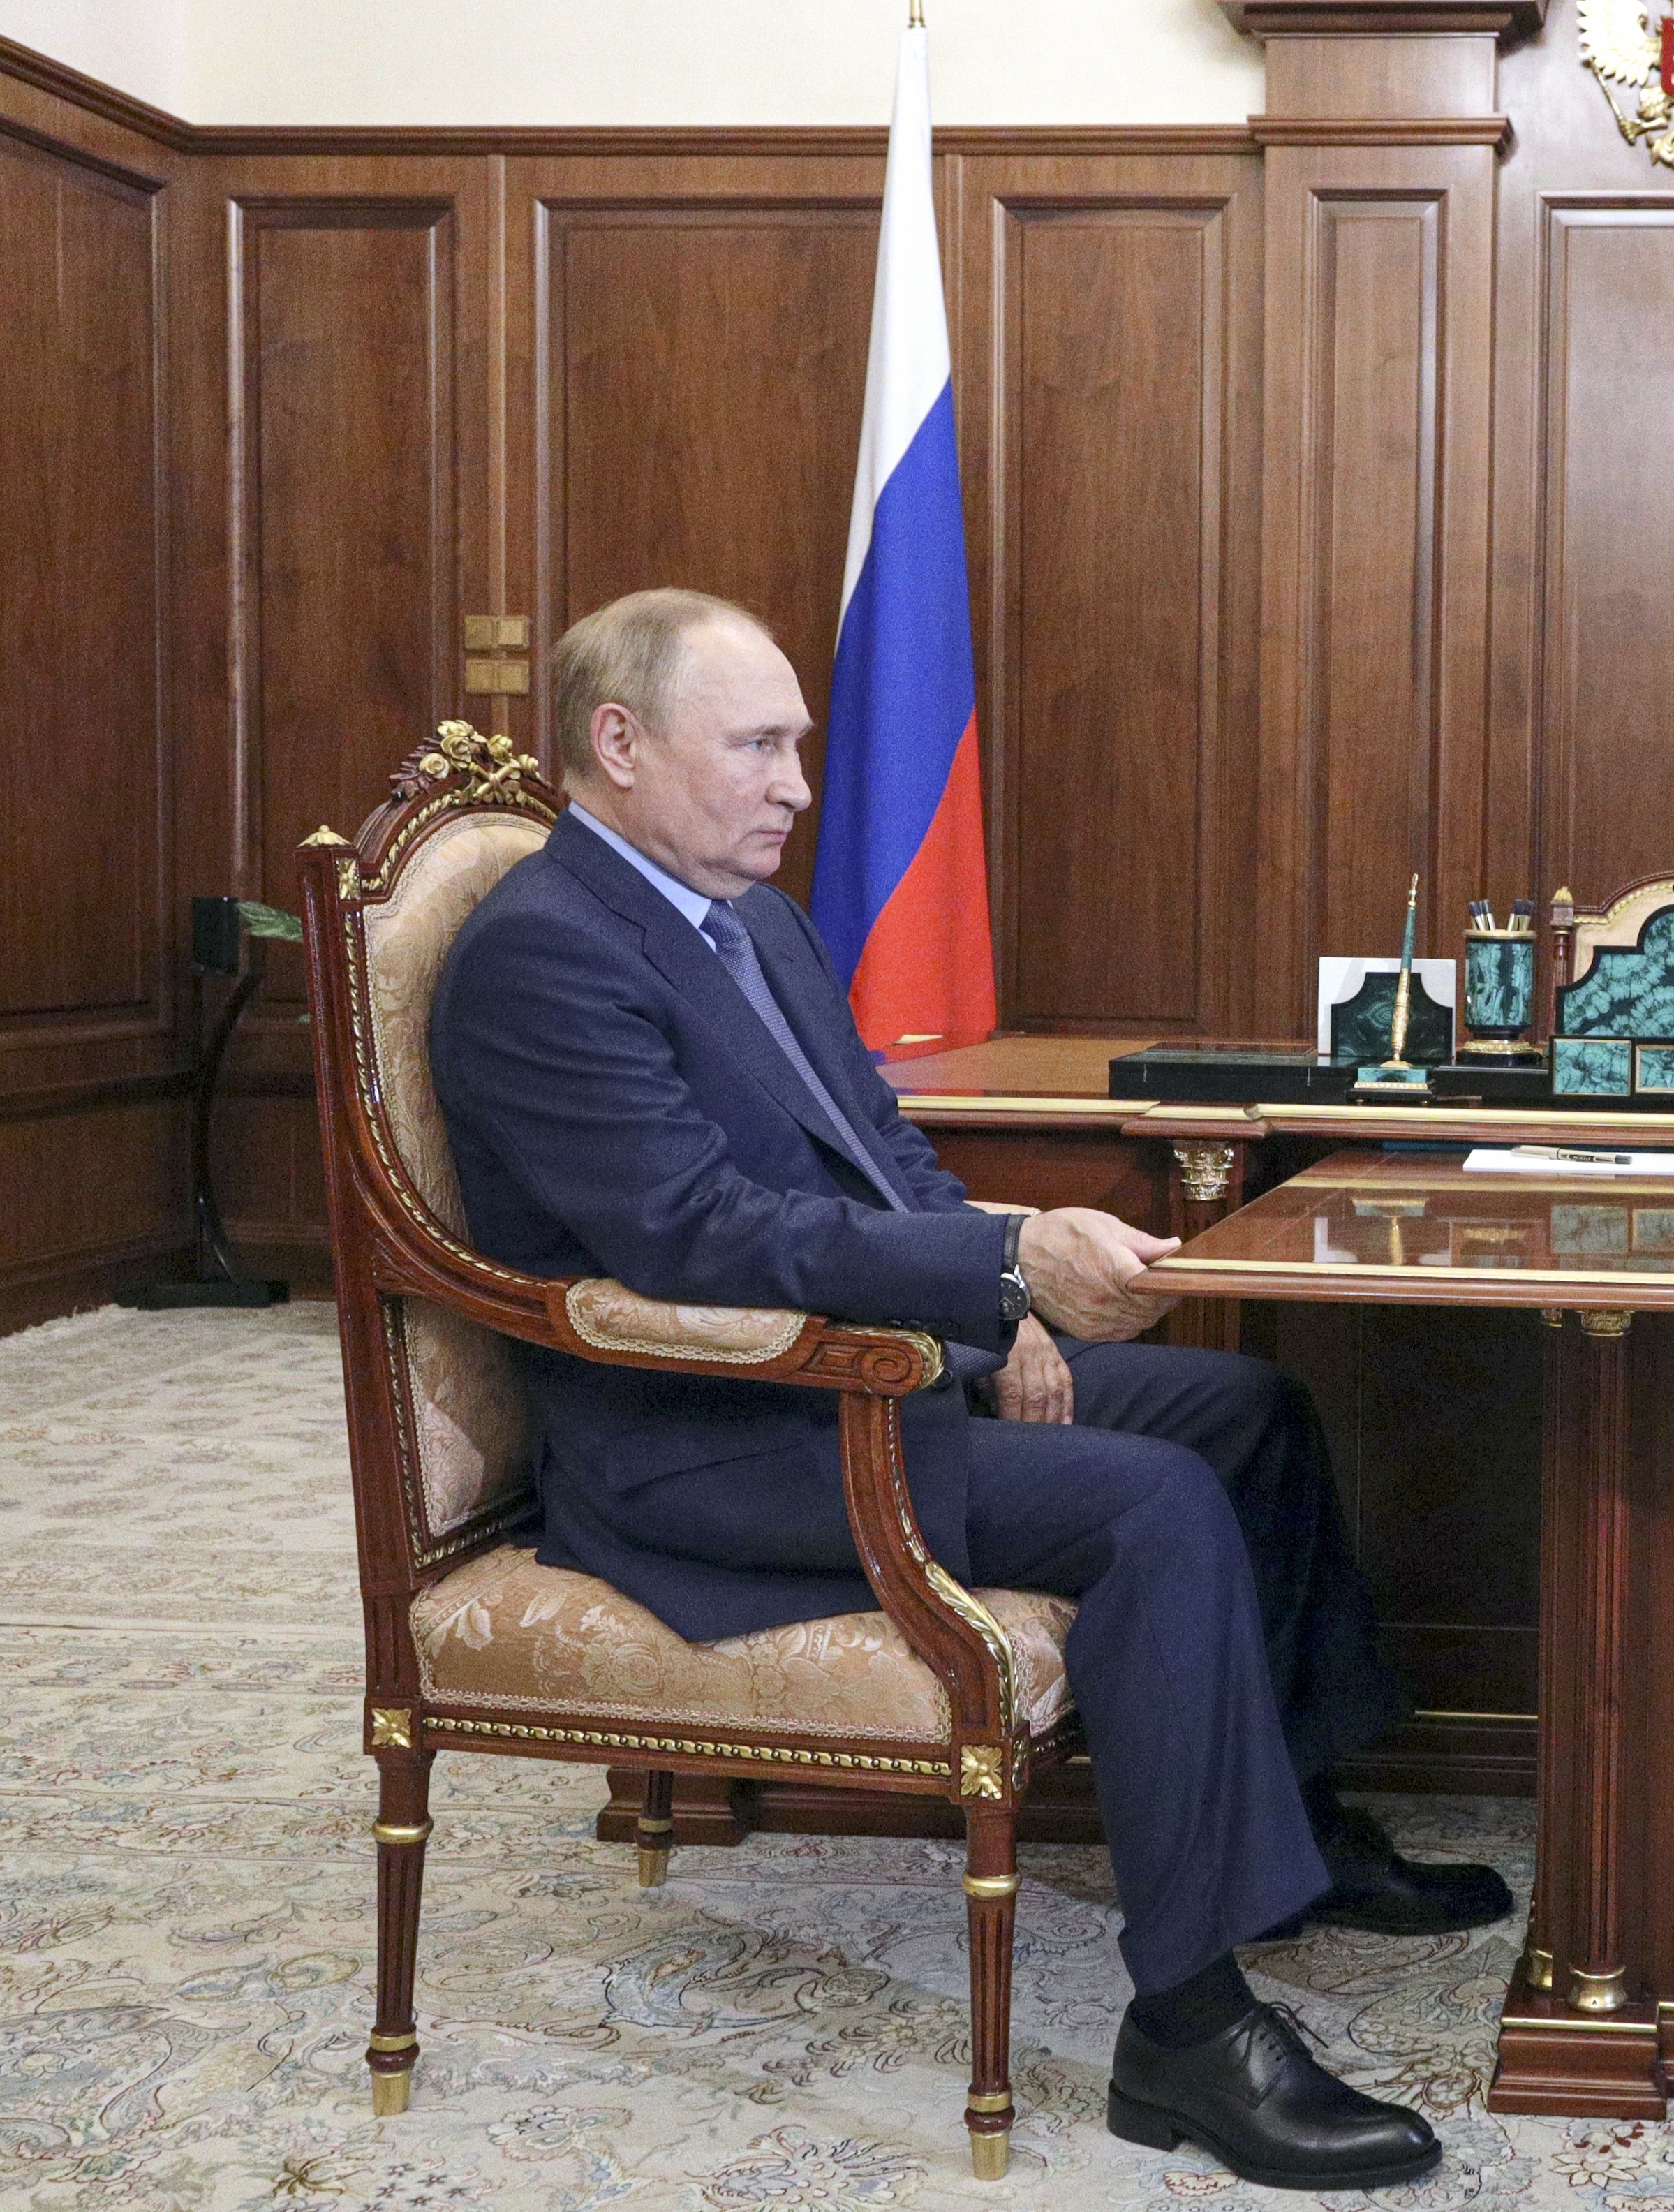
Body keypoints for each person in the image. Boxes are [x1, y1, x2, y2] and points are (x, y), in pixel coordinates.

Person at [433, 587, 1505, 2194]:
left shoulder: (756, 920)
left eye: (801, 742)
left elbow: (878, 1153)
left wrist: (999, 1310)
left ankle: (1296, 1834)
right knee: (1154, 1505)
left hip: (855, 1385)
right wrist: (999, 1273)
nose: (801, 781)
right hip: (703, 1442)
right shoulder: (543, 954)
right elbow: (691, 1234)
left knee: (1249, 1415)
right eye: (761, 743)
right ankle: (1191, 2027)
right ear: (618, 743)